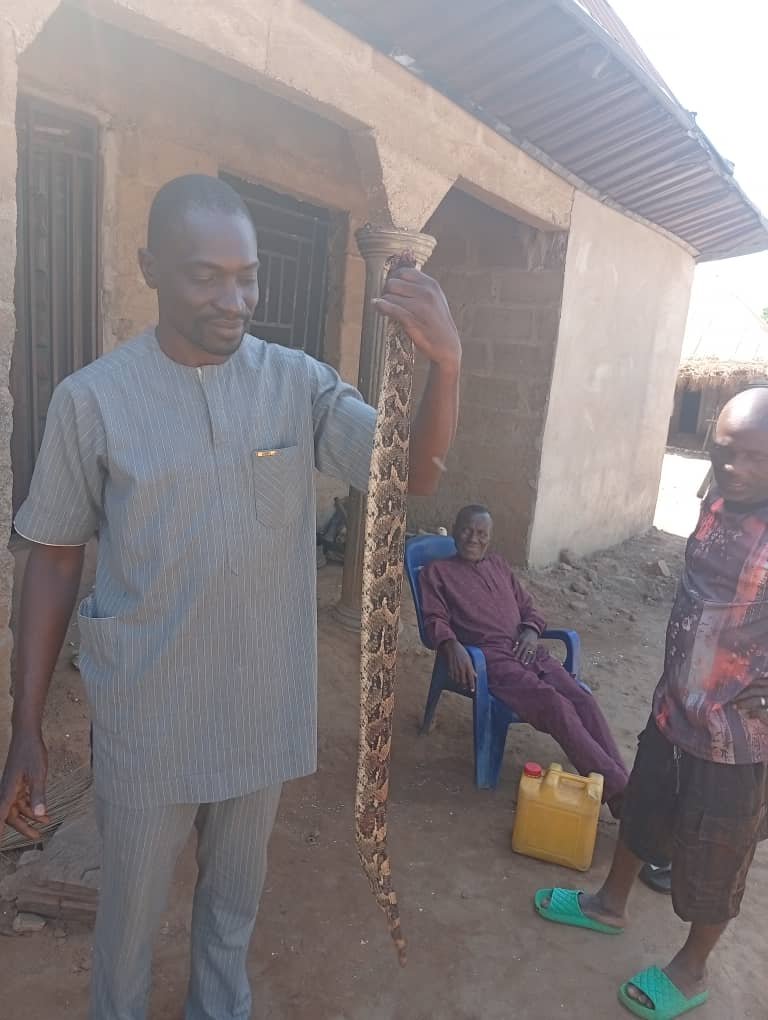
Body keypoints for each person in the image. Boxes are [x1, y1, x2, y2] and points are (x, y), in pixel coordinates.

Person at [0, 174, 462, 1020]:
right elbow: (56, 558)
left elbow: (415, 473)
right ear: (149, 268)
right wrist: (26, 723)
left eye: (246, 275)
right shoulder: (92, 400)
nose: (232, 299)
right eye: (203, 275)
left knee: (231, 917)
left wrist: (446, 365)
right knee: (128, 928)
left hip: (261, 707)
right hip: (149, 714)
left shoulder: (299, 384)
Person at [535, 387, 768, 1019]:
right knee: (644, 808)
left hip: (737, 736)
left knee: (718, 852)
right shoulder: (715, 500)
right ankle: (611, 904)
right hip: (673, 709)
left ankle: (691, 969)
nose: (734, 468)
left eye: (752, 457)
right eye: (723, 453)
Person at [419, 505, 629, 813]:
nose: (473, 539)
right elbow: (433, 620)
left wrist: (531, 631)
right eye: (466, 530)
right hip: (490, 659)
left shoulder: (499, 566)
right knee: (554, 704)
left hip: (528, 650)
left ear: (490, 538)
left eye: (481, 533)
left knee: (582, 699)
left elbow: (530, 609)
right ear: (453, 529)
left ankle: (624, 783)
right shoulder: (437, 573)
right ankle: (620, 794)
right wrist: (452, 646)